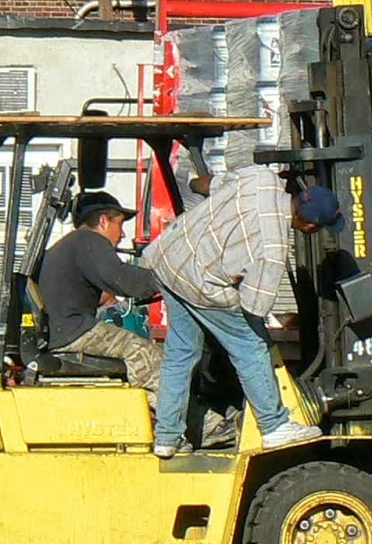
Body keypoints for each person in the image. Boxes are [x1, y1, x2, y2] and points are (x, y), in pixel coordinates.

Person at [142, 164, 343, 458]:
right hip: (200, 281)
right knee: (251, 345)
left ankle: (167, 436)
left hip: (170, 258)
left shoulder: (261, 179)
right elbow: (253, 308)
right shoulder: (274, 248)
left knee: (181, 353)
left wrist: (200, 184)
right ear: (311, 226)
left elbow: (206, 184)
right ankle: (274, 426)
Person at [36, 191, 162, 403]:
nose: (122, 234)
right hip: (73, 330)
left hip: (63, 328)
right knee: (143, 352)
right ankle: (200, 426)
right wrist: (164, 280)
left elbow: (96, 290)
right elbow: (120, 278)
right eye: (120, 224)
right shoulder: (90, 240)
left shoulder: (72, 244)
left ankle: (156, 415)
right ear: (103, 221)